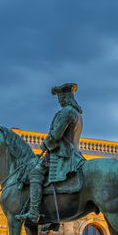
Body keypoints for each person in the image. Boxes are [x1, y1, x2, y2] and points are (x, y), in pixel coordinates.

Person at [22, 82, 84, 226]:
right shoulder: (77, 113)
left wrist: (45, 144)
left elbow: (56, 135)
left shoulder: (67, 112)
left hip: (62, 154)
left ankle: (34, 212)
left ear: (66, 97)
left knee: (36, 173)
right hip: (75, 153)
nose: (60, 101)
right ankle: (53, 218)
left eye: (61, 98)